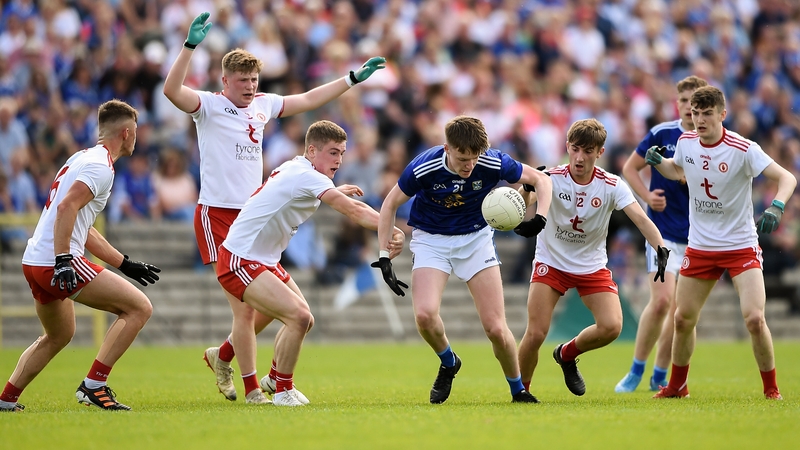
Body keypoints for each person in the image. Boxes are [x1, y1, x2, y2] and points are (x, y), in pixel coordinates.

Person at [162, 12, 386, 404]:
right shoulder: (209, 106)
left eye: (253, 80)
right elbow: (170, 91)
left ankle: (223, 355)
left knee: (275, 310)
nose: (249, 86)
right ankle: (253, 392)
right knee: (246, 312)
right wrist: (189, 46)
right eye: (242, 80)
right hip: (218, 215)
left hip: (255, 217)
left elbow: (310, 99)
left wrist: (350, 80)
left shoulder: (263, 104)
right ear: (224, 81)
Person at [216, 120, 404, 406]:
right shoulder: (310, 178)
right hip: (241, 259)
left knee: (305, 320)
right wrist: (392, 229)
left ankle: (265, 374)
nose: (339, 160)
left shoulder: (296, 166)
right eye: (332, 153)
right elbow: (353, 211)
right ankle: (282, 390)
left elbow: (296, 191)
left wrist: (334, 189)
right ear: (312, 150)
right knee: (299, 317)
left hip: (262, 258)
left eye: (342, 153)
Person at [375, 115, 553, 404]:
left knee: (496, 328)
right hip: (432, 240)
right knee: (424, 316)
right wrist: (384, 255)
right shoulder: (424, 166)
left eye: (474, 158)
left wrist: (540, 218)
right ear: (447, 148)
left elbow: (541, 180)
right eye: (461, 158)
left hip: (475, 240)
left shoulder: (493, 161)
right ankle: (449, 361)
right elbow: (390, 203)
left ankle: (518, 389)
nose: (469, 165)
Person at [0, 100, 161, 412]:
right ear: (126, 133)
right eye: (136, 132)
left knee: (59, 334)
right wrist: (63, 260)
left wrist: (124, 263)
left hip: (34, 261)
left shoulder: (82, 158)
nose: (137, 138)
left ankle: (5, 399)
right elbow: (66, 208)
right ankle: (94, 386)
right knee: (139, 308)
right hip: (55, 261)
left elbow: (80, 223)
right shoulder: (101, 168)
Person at [646, 86, 796, 400]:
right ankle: (677, 387)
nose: (699, 119)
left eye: (707, 114)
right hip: (700, 246)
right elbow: (677, 169)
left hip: (740, 245)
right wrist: (659, 163)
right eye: (695, 113)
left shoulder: (743, 148)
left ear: (722, 115)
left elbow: (787, 178)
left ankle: (771, 390)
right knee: (682, 319)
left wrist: (777, 206)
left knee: (755, 319)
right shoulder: (687, 143)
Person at [515, 118, 669, 399]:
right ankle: (520, 392)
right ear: (567, 147)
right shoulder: (550, 177)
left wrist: (660, 248)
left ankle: (566, 353)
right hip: (551, 262)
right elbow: (519, 206)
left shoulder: (612, 185)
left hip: (591, 265)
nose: (579, 157)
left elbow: (640, 219)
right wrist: (525, 190)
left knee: (611, 327)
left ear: (599, 152)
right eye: (575, 149)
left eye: (588, 151)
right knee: (535, 333)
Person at [615, 76, 708, 393]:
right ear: (677, 103)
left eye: (694, 101)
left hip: (699, 237)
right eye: (683, 100)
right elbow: (630, 168)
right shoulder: (662, 133)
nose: (688, 106)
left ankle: (660, 373)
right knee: (662, 302)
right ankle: (635, 370)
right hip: (662, 233)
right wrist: (646, 197)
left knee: (682, 313)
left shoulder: (711, 140)